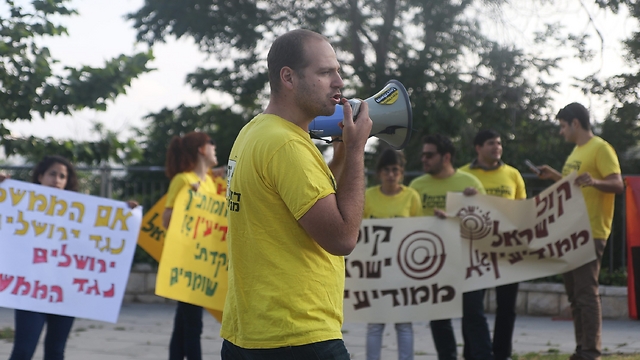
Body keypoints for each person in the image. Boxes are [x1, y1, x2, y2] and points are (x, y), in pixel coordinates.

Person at [220, 29, 373, 359]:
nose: (339, 82)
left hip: (248, 333)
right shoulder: (288, 145)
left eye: (337, 70)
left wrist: (344, 153)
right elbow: (343, 237)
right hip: (297, 335)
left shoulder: (256, 132)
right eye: (325, 72)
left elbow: (308, 203)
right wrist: (359, 150)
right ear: (288, 77)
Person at [536, 102, 623, 360]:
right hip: (570, 231)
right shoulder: (576, 151)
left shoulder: (601, 148)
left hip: (591, 230)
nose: (561, 132)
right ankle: (581, 347)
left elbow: (618, 184)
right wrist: (554, 176)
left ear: (575, 123)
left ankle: (591, 351)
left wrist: (595, 181)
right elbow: (573, 186)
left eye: (563, 126)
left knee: (586, 292)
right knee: (574, 295)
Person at [408, 134, 493, 360]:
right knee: (439, 319)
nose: (423, 159)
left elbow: (484, 225)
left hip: (467, 262)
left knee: (474, 316)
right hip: (433, 264)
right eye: (422, 154)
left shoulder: (471, 184)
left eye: (429, 155)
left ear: (446, 157)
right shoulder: (416, 186)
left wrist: (471, 204)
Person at [459, 129, 526, 360]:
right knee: (472, 308)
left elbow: (522, 211)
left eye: (499, 143)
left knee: (507, 308)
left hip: (506, 250)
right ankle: (473, 354)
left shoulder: (514, 175)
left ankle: (501, 354)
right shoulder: (463, 175)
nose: (497, 147)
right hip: (474, 252)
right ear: (478, 148)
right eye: (491, 143)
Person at [162, 131, 220, 360]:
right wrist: (190, 202)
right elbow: (167, 220)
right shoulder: (183, 180)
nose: (215, 148)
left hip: (202, 261)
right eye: (211, 143)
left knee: (183, 325)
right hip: (188, 263)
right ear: (201, 149)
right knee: (193, 325)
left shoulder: (209, 184)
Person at [364, 149, 421, 360]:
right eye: (386, 170)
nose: (391, 174)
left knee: (404, 324)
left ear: (402, 173)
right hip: (376, 271)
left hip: (403, 270)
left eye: (395, 170)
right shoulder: (368, 196)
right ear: (379, 173)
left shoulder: (411, 197)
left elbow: (418, 231)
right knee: (375, 325)